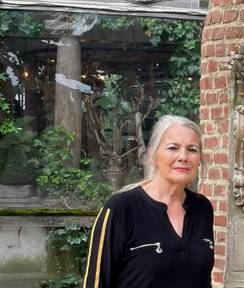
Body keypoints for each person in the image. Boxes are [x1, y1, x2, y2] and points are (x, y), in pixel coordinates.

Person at [82, 115, 214, 288]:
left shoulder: (202, 208)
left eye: (192, 149)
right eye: (173, 147)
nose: (183, 156)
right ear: (153, 155)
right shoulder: (121, 209)